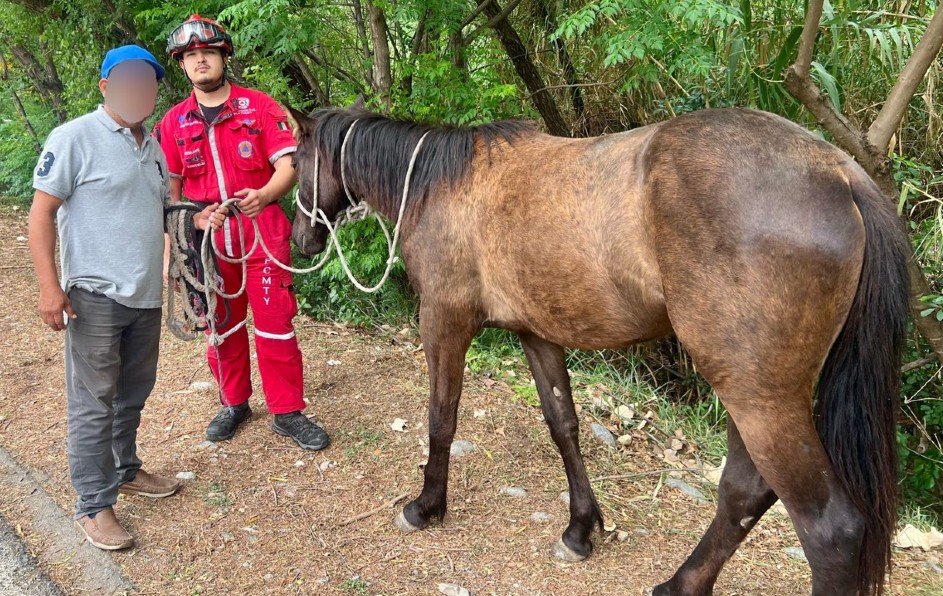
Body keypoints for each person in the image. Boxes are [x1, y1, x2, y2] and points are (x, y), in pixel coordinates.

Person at [28, 45, 218, 550]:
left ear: (155, 92)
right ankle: (93, 504)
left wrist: (194, 218)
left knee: (132, 394)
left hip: (144, 296)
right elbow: (41, 214)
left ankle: (126, 469)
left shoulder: (152, 147)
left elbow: (158, 212)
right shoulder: (74, 138)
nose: (138, 89)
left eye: (147, 82)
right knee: (93, 403)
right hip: (93, 295)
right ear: (105, 86)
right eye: (127, 80)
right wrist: (51, 286)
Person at [154, 15, 329, 451]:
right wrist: (175, 248)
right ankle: (234, 403)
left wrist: (266, 194)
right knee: (222, 325)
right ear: (182, 64)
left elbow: (289, 163)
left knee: (275, 324)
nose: (200, 61)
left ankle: (287, 411)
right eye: (191, 56)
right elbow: (170, 192)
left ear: (223, 56)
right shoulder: (173, 123)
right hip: (207, 240)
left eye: (207, 53)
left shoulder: (259, 105)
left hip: (262, 230)